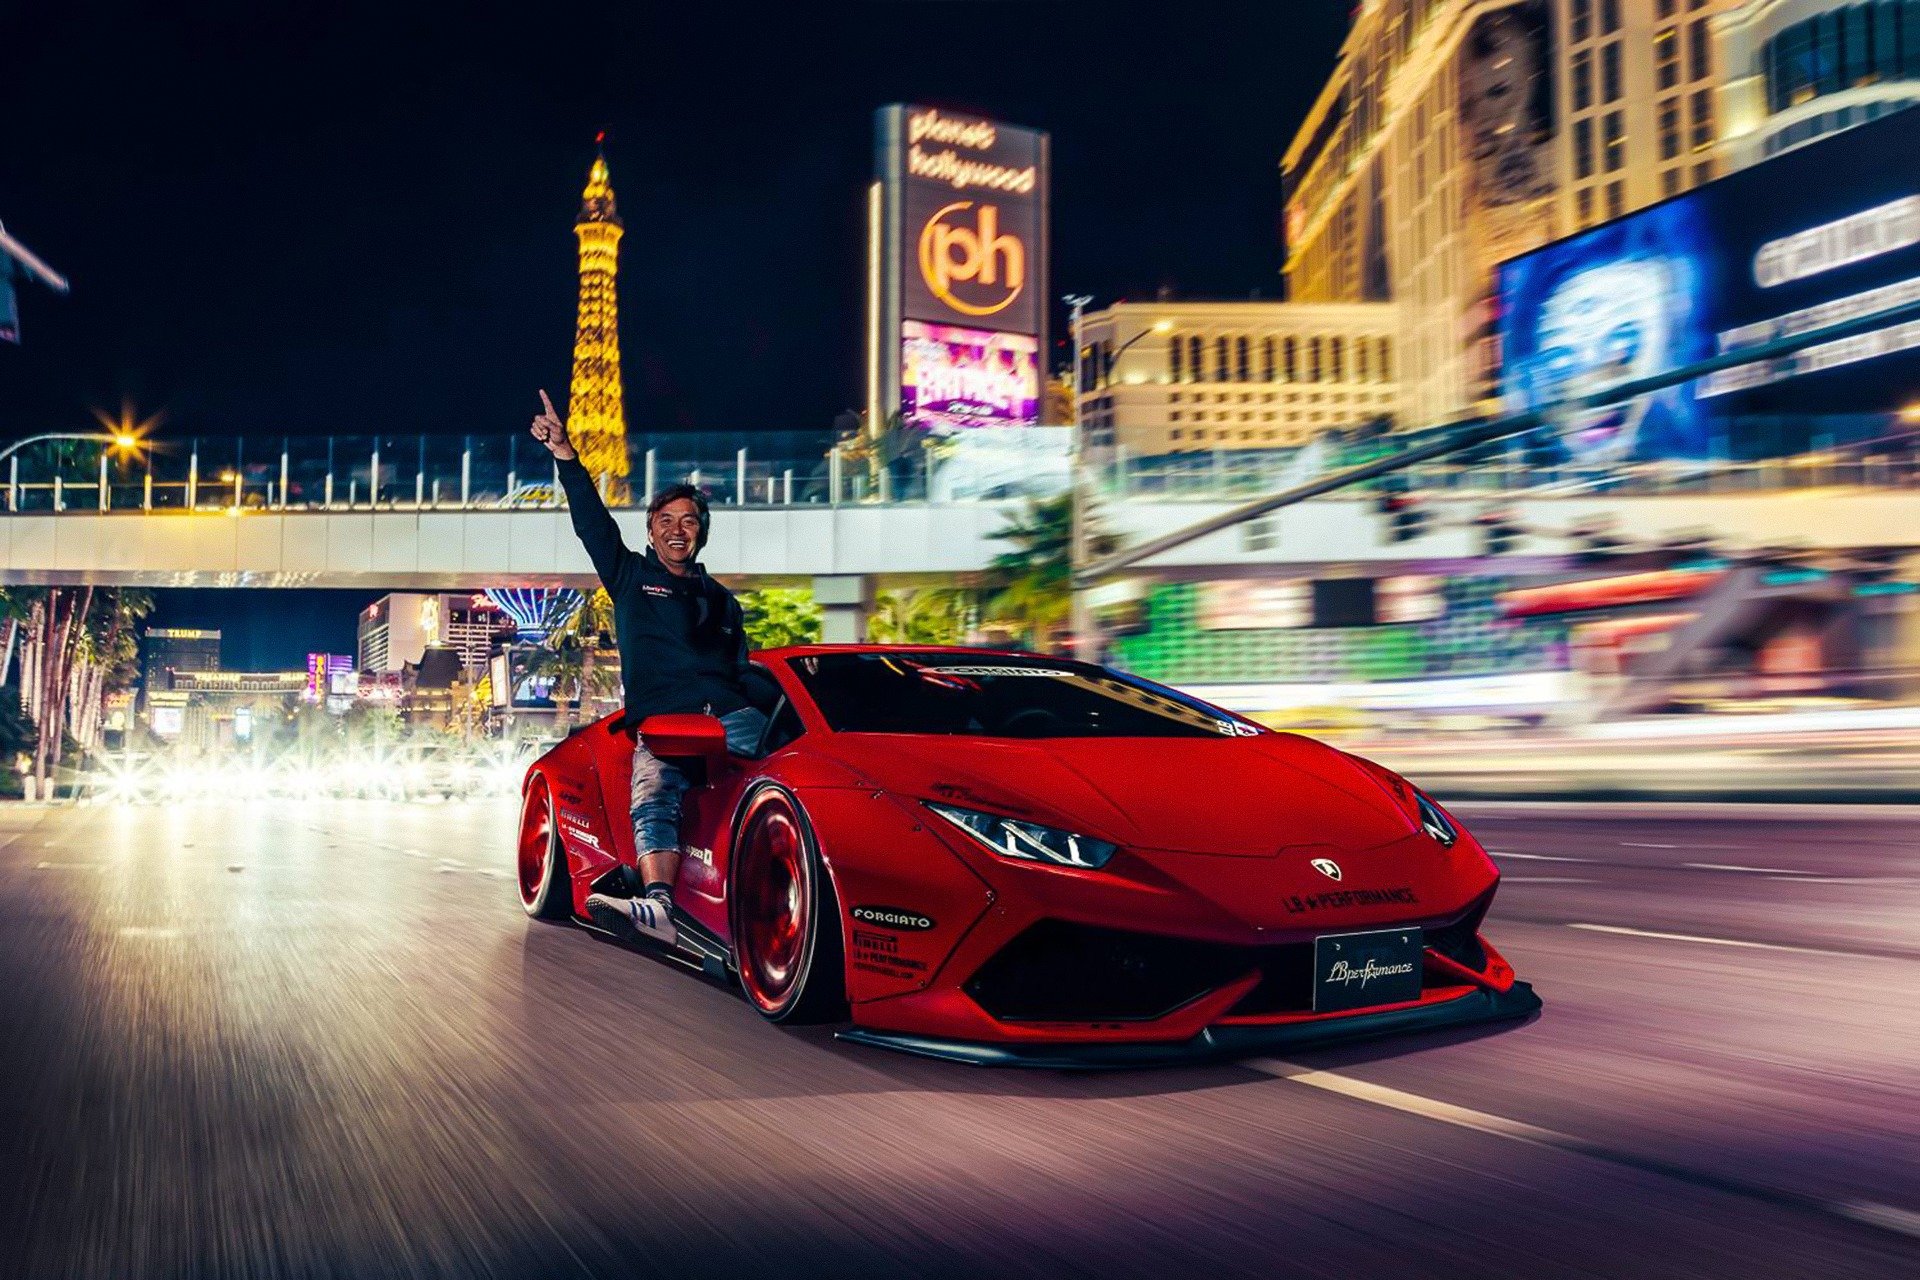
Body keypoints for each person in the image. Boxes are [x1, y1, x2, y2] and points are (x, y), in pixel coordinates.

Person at [529, 389, 766, 947]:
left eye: (689, 521)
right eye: (666, 520)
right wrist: (565, 453)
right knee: (654, 791)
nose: (677, 529)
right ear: (651, 530)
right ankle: (659, 908)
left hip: (735, 721)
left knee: (785, 777)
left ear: (700, 532)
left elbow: (743, 671)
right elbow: (592, 523)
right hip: (667, 726)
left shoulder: (724, 602)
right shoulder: (630, 577)